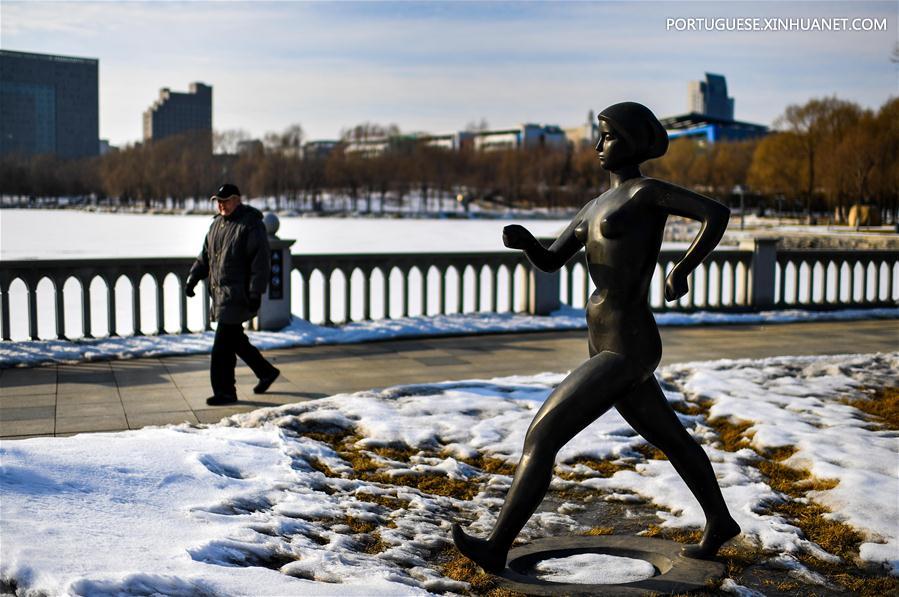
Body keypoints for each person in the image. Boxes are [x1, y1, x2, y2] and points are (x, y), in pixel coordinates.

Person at [452, 102, 740, 572]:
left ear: (633, 140)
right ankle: (720, 520)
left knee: (542, 437)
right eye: (598, 136)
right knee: (672, 437)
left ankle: (496, 546)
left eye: (607, 136)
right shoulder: (592, 208)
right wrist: (528, 244)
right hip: (602, 340)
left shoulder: (646, 192)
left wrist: (682, 268)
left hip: (628, 345)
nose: (597, 145)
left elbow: (716, 213)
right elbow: (551, 261)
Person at [185, 183, 280, 405]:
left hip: (239, 296)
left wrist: (256, 292)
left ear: (237, 200)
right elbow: (205, 256)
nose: (221, 204)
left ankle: (225, 392)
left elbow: (261, 262)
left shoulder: (251, 225)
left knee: (221, 348)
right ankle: (266, 372)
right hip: (220, 295)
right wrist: (193, 278)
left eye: (226, 200)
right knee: (236, 341)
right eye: (218, 201)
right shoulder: (216, 225)